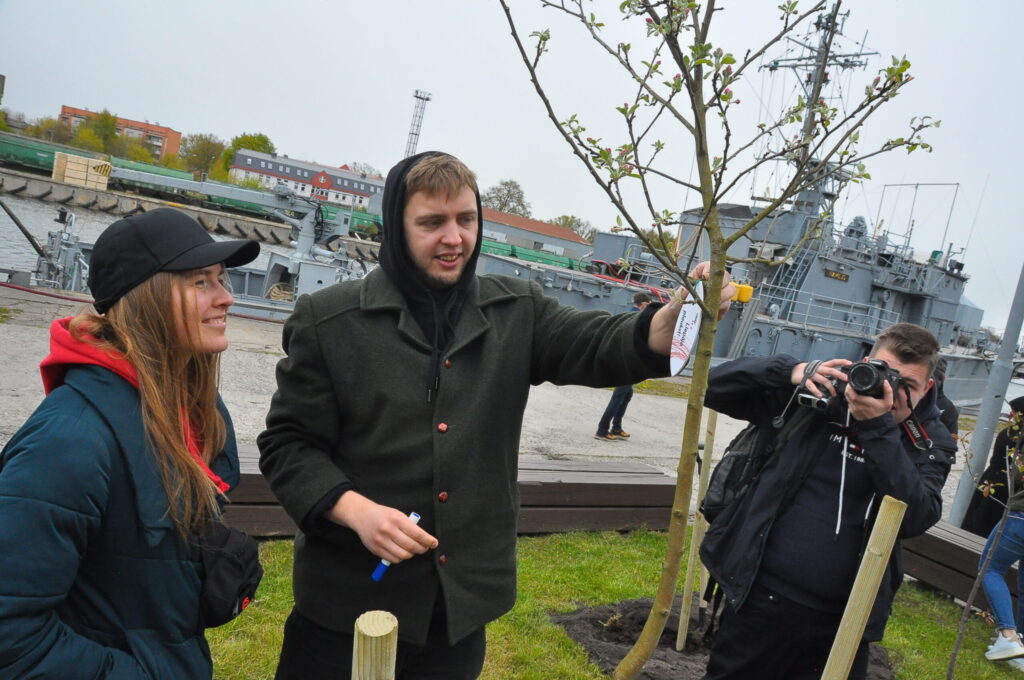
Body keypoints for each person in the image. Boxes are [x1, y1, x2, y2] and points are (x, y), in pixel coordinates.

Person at [258, 151, 735, 679]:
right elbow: (288, 445)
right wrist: (356, 511)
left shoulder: (517, 309)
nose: (454, 238)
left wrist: (659, 327)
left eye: (466, 219)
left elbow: (593, 342)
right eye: (432, 222)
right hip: (347, 603)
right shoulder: (330, 322)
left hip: (456, 611)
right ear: (395, 228)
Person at [0, 208, 259, 679]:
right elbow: (11, 637)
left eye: (221, 279)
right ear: (148, 299)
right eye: (201, 282)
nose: (226, 298)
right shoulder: (68, 442)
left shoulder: (184, 409)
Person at [699, 322, 956, 680]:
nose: (890, 392)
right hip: (760, 596)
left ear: (928, 388)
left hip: (845, 619)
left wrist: (878, 428)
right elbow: (709, 388)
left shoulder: (928, 439)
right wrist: (792, 371)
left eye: (906, 386)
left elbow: (915, 517)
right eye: (884, 375)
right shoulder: (816, 398)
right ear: (865, 363)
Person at [977, 404, 1024, 666]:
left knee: (990, 568)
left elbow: (1015, 475)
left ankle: (1007, 634)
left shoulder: (1016, 435)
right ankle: (1019, 647)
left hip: (1020, 516)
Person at [962, 396, 1024, 539]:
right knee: (985, 525)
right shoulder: (1014, 436)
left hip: (993, 481)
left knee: (977, 521)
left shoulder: (1009, 433)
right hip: (1004, 485)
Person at [594, 291, 653, 441]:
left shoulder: (629, 316)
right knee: (620, 395)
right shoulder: (638, 318)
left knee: (626, 394)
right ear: (645, 305)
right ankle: (602, 429)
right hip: (627, 364)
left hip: (626, 362)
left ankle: (617, 427)